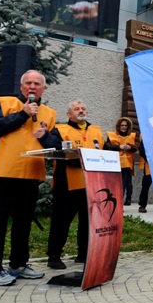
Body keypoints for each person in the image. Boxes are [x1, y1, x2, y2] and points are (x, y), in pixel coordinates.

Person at [0, 70, 59, 285]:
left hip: (30, 173)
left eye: (37, 84)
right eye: (28, 83)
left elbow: (54, 144)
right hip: (3, 171)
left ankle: (17, 264)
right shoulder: (4, 102)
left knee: (23, 223)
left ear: (43, 88)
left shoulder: (49, 113)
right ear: (21, 86)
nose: (32, 87)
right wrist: (23, 114)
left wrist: (44, 136)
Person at [46, 100, 104, 269]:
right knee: (61, 222)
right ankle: (54, 256)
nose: (81, 111)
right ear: (68, 114)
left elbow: (104, 150)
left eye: (83, 108)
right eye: (76, 109)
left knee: (87, 222)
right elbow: (53, 148)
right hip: (67, 185)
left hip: (91, 185)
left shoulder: (97, 131)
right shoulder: (60, 130)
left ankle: (84, 254)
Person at [104, 117, 136, 205]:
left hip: (127, 162)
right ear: (119, 126)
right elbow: (106, 147)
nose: (124, 127)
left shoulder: (131, 135)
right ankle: (120, 200)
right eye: (122, 125)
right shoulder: (112, 135)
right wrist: (119, 147)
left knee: (127, 183)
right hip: (115, 162)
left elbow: (135, 147)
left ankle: (126, 199)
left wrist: (130, 147)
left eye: (126, 125)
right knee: (121, 183)